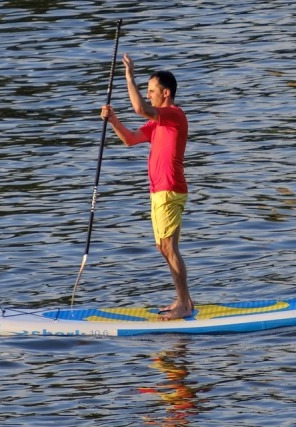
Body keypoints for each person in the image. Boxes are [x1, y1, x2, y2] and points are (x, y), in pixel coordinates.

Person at [100, 53, 192, 320]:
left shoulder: (173, 115)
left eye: (151, 91)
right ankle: (184, 300)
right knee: (163, 247)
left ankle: (184, 304)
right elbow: (130, 139)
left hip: (170, 189)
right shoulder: (157, 123)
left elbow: (140, 108)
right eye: (147, 91)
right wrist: (113, 120)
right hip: (158, 191)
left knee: (169, 246)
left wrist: (128, 77)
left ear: (165, 93)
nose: (148, 95)